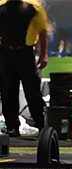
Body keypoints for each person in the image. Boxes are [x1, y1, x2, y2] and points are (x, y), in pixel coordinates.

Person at [0, 0, 49, 137]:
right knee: (8, 91)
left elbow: (43, 30)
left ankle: (41, 125)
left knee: (32, 89)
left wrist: (44, 54)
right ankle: (12, 126)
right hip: (5, 52)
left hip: (25, 52)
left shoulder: (34, 6)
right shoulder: (2, 6)